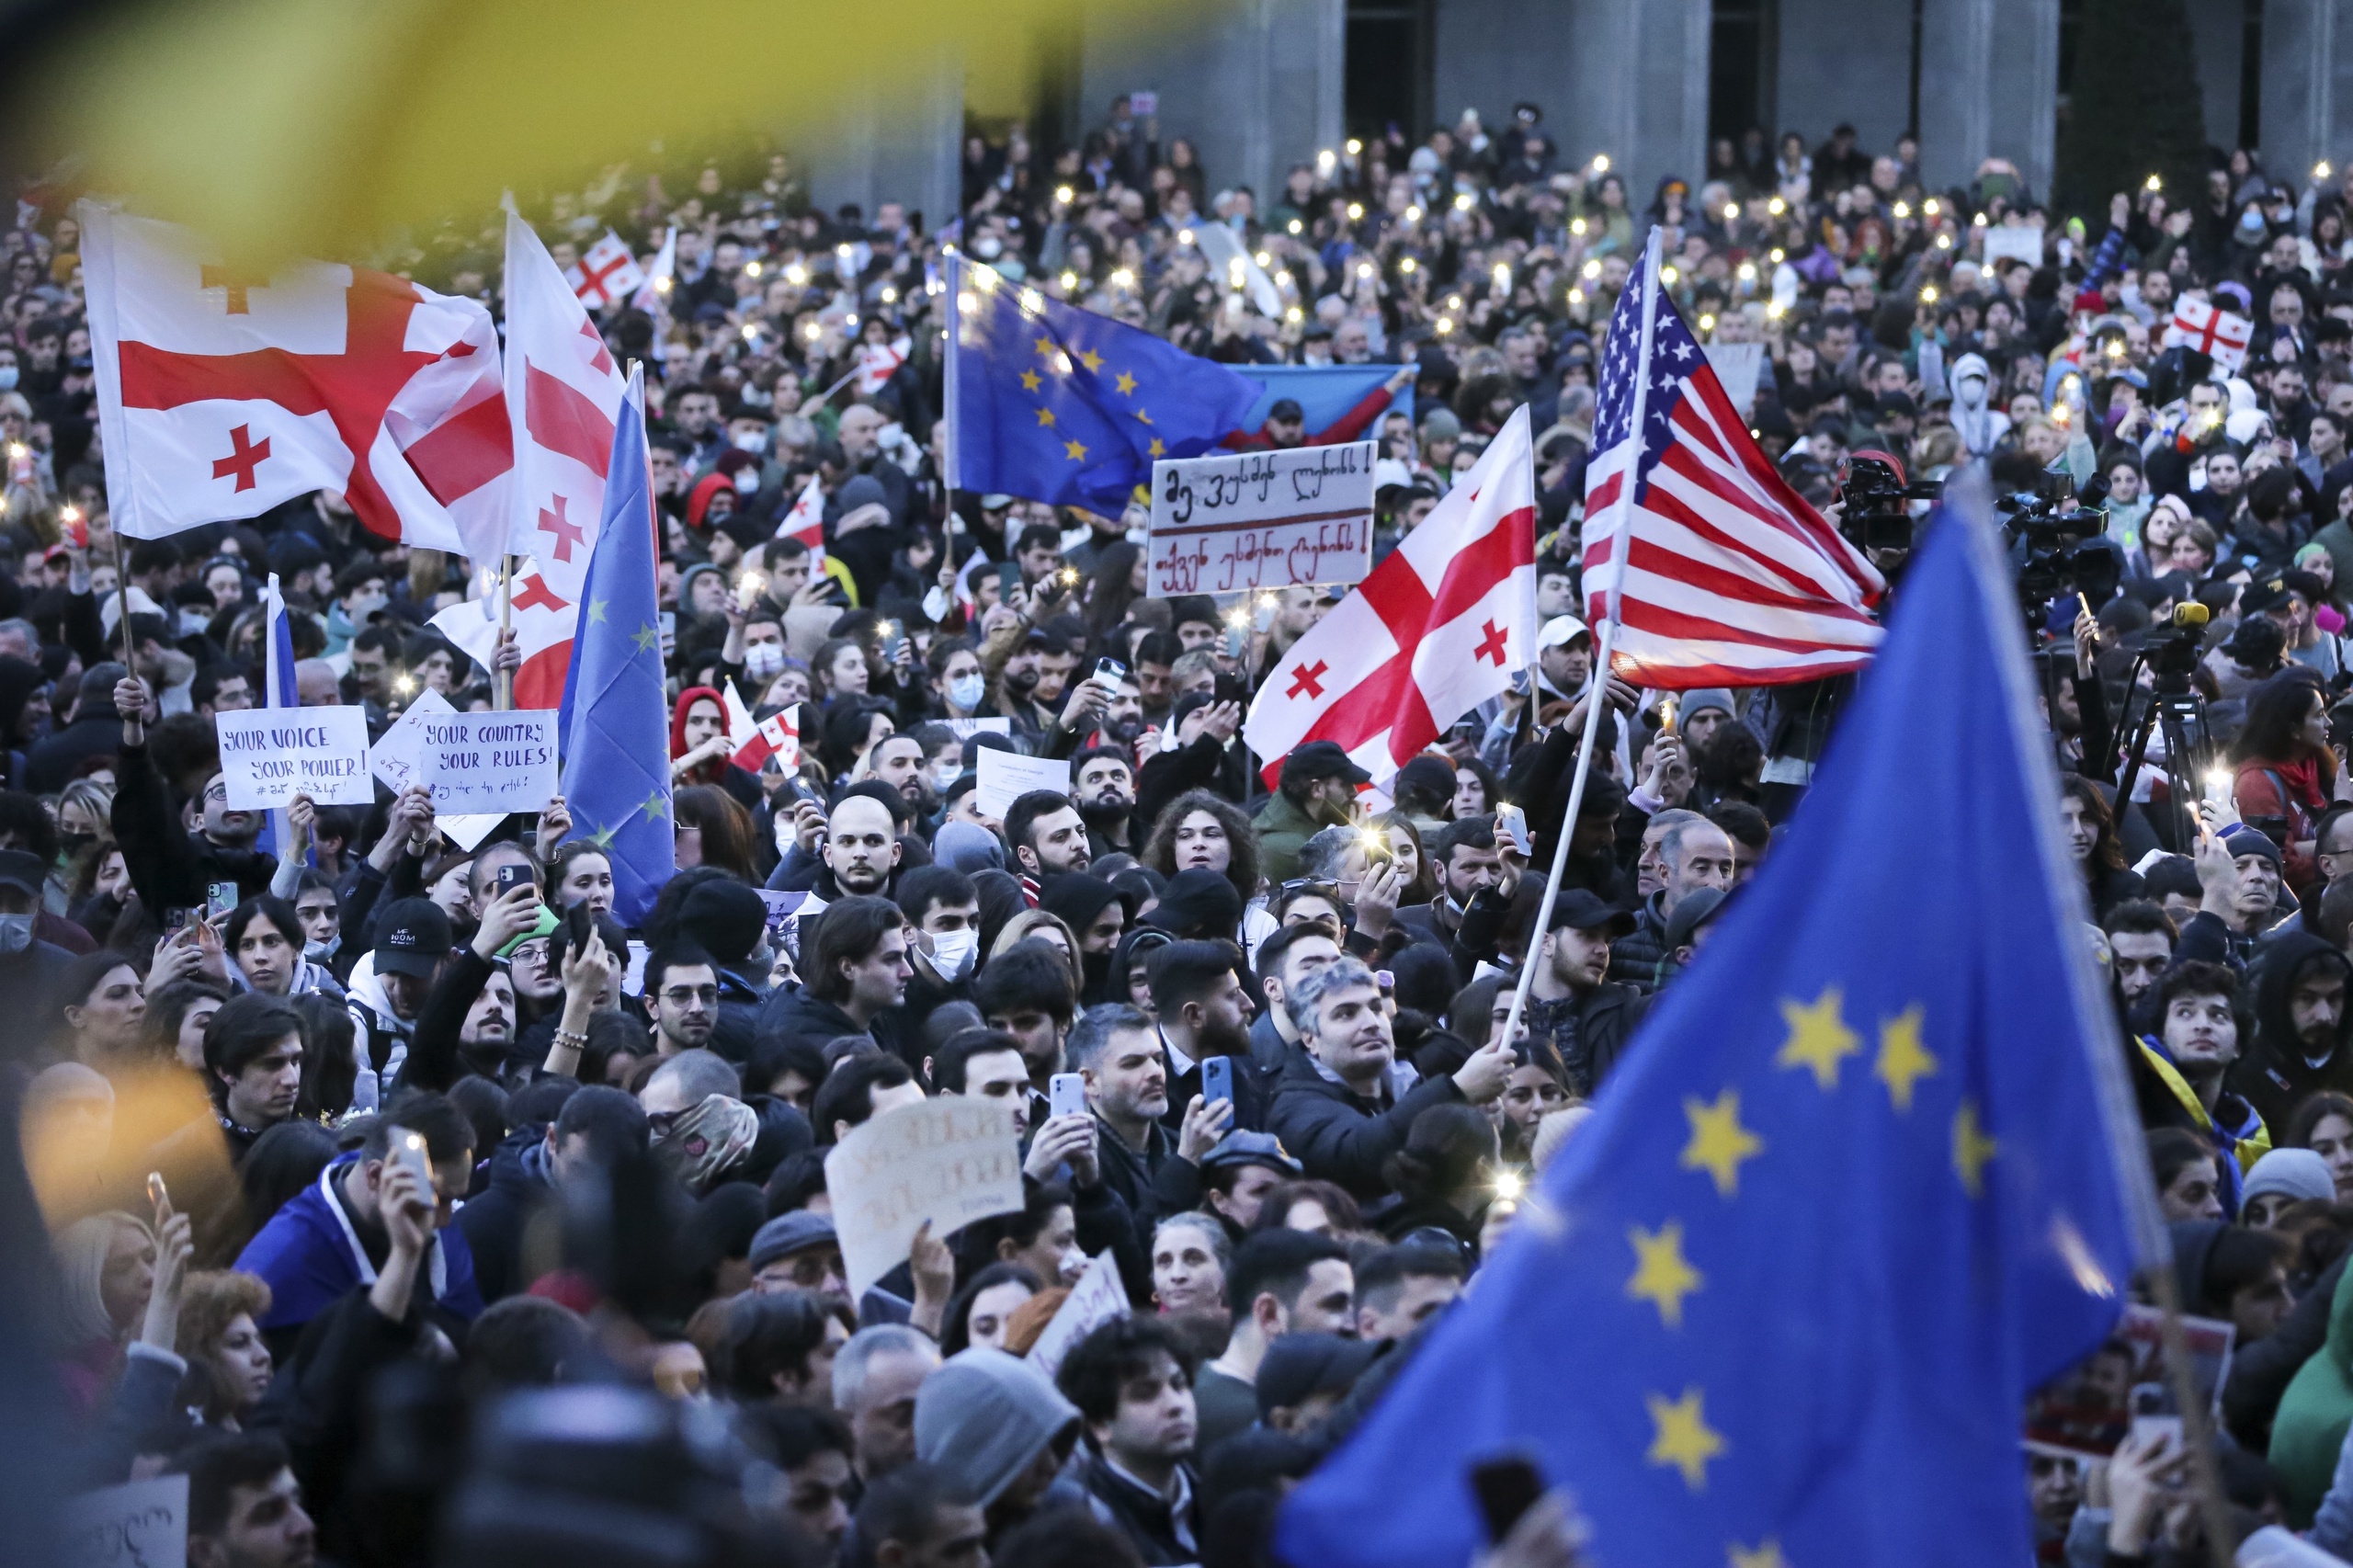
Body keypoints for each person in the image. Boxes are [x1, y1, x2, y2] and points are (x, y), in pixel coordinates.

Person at [233, 1091, 482, 1356]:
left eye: (454, 1200)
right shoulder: (284, 1257)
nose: (444, 1220)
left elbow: (471, 1334)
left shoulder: (436, 1220)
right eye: (437, 1200)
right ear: (375, 1176)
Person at [1269, 956, 1513, 1201]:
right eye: (1346, 1014)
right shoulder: (1293, 1107)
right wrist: (1458, 1089)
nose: (1371, 1023)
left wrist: (1478, 1126)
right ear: (1310, 1038)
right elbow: (1359, 1157)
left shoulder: (1411, 1080)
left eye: (1375, 1008)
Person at [1191, 1229, 1353, 1456]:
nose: (1351, 1325)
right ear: (1270, 1315)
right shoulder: (1250, 1424)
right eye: (1335, 1305)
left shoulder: (1204, 1389)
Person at [1057, 1316, 1201, 1564]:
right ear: (1099, 1424)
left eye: (1179, 1385)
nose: (1176, 1405)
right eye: (1146, 1394)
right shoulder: (1081, 1526)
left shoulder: (1221, 1492)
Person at [833, 1324, 940, 1480]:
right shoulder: (825, 1500)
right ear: (847, 1424)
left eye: (935, 1413)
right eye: (906, 1417)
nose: (926, 1431)